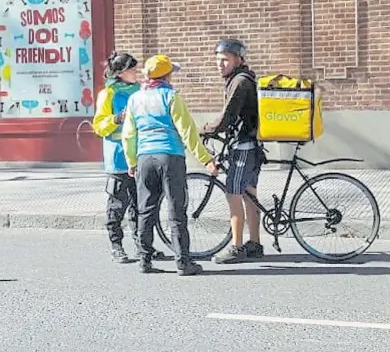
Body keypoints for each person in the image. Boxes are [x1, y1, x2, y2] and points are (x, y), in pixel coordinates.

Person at [121, 54, 219, 275]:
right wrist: (206, 160)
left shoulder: (135, 99)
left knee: (145, 210)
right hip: (170, 156)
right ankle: (183, 262)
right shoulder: (171, 97)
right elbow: (188, 132)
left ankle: (144, 260)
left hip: (145, 157)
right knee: (176, 210)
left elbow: (128, 134)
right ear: (166, 75)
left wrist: (132, 161)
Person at [92, 50, 165, 264]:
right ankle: (116, 246)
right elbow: (98, 126)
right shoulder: (108, 94)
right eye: (132, 69)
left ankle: (143, 246)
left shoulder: (140, 90)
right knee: (117, 204)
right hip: (118, 157)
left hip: (139, 154)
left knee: (141, 205)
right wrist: (116, 119)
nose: (137, 72)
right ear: (121, 72)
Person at [201, 38, 266, 264]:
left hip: (244, 147)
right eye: (218, 60)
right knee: (249, 194)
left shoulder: (240, 82)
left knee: (234, 194)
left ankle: (237, 246)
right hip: (251, 145)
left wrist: (206, 129)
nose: (220, 65)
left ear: (239, 59)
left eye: (225, 60)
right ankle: (255, 244)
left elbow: (228, 116)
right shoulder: (240, 79)